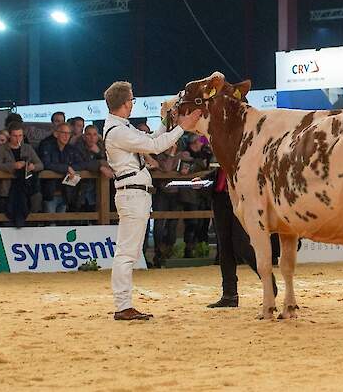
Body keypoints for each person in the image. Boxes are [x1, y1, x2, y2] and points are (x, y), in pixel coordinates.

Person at [102, 81, 200, 321]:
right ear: (126, 103)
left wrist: (167, 120)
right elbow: (156, 146)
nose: (133, 104)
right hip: (132, 193)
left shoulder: (122, 128)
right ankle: (122, 305)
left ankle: (124, 304)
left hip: (135, 193)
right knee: (127, 253)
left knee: (129, 252)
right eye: (132, 100)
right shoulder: (118, 131)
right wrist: (182, 127)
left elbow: (153, 138)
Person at [207, 166, 277, 308]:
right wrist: (203, 180)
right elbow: (219, 170)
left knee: (242, 245)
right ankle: (229, 294)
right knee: (224, 248)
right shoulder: (221, 147)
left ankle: (269, 282)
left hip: (242, 198)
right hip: (220, 199)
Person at [0, 122, 43, 228]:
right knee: (6, 220)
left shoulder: (27, 148)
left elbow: (40, 164)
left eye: (20, 135)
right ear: (10, 135)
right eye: (15, 135)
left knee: (27, 216)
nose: (18, 138)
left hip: (25, 189)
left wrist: (33, 167)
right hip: (5, 190)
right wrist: (13, 165)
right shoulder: (1, 149)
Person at [38, 122, 83, 221]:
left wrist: (70, 168)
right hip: (50, 193)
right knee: (51, 224)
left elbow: (81, 164)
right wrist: (66, 168)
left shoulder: (71, 149)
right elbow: (46, 164)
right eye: (63, 133)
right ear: (56, 134)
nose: (66, 136)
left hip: (65, 193)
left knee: (62, 225)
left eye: (68, 133)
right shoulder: (47, 146)